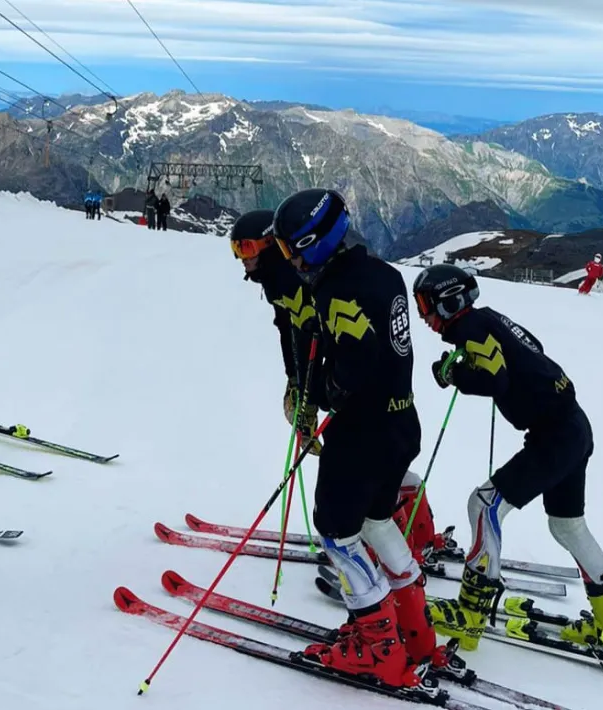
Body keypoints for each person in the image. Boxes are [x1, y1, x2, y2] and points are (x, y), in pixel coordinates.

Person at [411, 263, 603, 655]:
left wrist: (455, 376)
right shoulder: (486, 319)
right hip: (573, 427)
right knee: (567, 526)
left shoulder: (468, 327)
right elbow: (529, 350)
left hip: (555, 435)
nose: (424, 316)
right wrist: (464, 367)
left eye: (427, 305)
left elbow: (495, 379)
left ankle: (472, 612)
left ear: (450, 302)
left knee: (483, 504)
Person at [272, 188, 436, 688]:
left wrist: (312, 395)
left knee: (337, 533)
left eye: (291, 248)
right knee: (377, 520)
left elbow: (349, 371)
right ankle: (414, 633)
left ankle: (378, 647)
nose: (291, 259)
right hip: (401, 422)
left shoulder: (339, 291)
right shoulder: (384, 274)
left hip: (362, 433)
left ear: (317, 242)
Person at [229, 209, 321, 454]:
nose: (242, 258)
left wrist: (306, 394)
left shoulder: (291, 279)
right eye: (237, 250)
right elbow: (285, 329)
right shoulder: (272, 278)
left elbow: (307, 337)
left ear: (268, 244)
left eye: (247, 249)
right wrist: (293, 378)